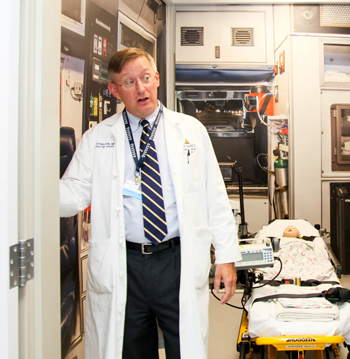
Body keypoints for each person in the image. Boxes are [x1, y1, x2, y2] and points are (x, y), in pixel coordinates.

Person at [60, 48, 241, 359]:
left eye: (145, 78)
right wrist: (29, 193)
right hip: (125, 264)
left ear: (157, 78)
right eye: (129, 82)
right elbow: (73, 194)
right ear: (114, 90)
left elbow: (215, 197)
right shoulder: (98, 137)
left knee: (184, 347)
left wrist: (226, 257)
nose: (140, 88)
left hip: (176, 259)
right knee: (130, 349)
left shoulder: (190, 130)